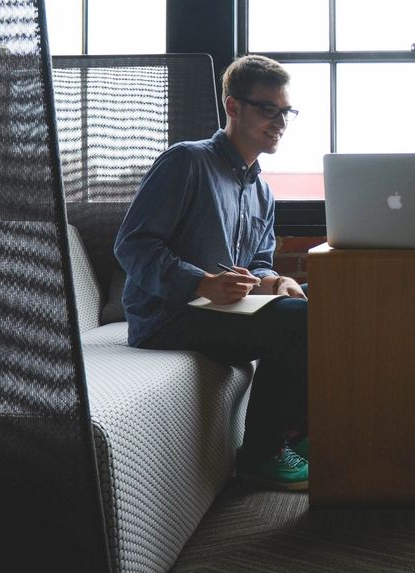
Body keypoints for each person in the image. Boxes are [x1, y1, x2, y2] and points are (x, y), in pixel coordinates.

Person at [114, 54, 310, 491]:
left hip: (225, 312)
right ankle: (261, 456)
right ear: (233, 107)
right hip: (168, 317)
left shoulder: (261, 190)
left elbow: (258, 261)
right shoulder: (186, 162)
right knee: (302, 321)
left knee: (322, 300)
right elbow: (133, 245)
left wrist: (275, 281)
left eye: (286, 112)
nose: (279, 122)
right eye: (268, 109)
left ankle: (299, 432)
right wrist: (201, 283)